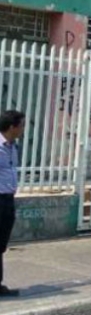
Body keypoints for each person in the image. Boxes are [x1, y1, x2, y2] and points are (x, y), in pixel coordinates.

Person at [0, 110, 25, 297]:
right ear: (11, 127)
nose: (23, 129)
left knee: (1, 244)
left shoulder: (12, 147)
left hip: (7, 200)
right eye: (21, 125)